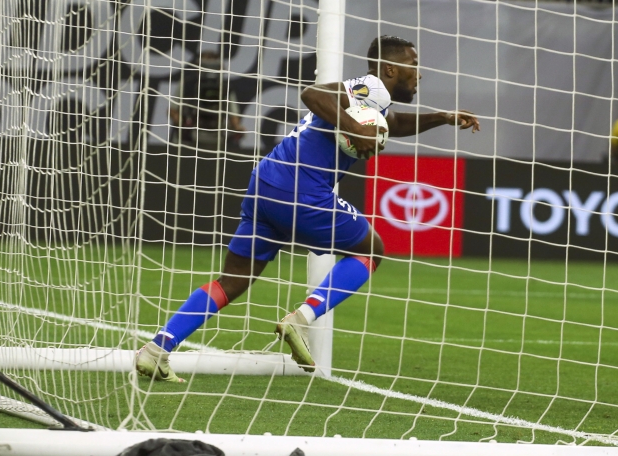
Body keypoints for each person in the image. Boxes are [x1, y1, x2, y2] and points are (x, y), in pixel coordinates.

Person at [136, 36, 482, 382]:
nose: (418, 74)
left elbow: (397, 124)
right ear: (391, 68)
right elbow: (313, 94)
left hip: (267, 181)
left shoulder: (375, 102)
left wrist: (445, 117)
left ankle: (156, 350)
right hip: (300, 188)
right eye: (414, 64)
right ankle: (300, 320)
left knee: (234, 279)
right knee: (371, 249)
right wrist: (354, 128)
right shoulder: (372, 87)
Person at [169, 51, 245, 150]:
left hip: (216, 137)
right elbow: (172, 110)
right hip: (187, 139)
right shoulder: (187, 84)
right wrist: (181, 122)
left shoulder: (225, 87)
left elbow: (234, 115)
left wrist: (237, 127)